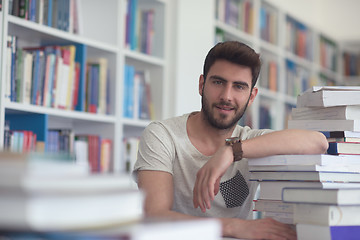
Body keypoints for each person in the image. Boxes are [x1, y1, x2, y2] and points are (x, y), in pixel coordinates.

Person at [133, 41, 328, 240]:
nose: (226, 96)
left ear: (251, 96)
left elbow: (318, 142)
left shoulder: (250, 142)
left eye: (239, 87)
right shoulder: (163, 135)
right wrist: (235, 227)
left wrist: (230, 152)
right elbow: (155, 215)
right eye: (218, 82)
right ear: (202, 85)